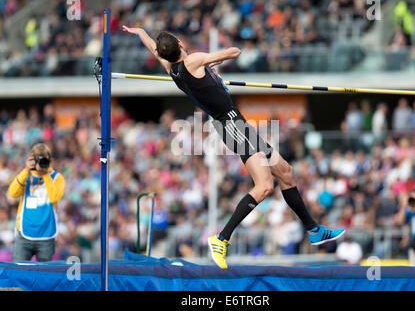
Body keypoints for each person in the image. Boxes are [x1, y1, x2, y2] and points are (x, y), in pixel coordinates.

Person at [122, 26, 345, 269]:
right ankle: (221, 238)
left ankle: (313, 230)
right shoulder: (193, 61)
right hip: (232, 126)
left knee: (285, 172)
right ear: (179, 43)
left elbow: (156, 50)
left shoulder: (171, 68)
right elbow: (234, 52)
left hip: (237, 124)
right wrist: (215, 59)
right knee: (264, 187)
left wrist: (140, 32)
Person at [8, 143, 65, 262]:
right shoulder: (25, 175)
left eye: (44, 159)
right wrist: (26, 171)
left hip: (46, 234)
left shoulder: (56, 177)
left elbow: (54, 197)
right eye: (38, 159)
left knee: (43, 276)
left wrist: (45, 174)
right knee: (19, 272)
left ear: (50, 160)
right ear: (32, 159)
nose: (41, 163)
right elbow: (12, 193)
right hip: (24, 233)